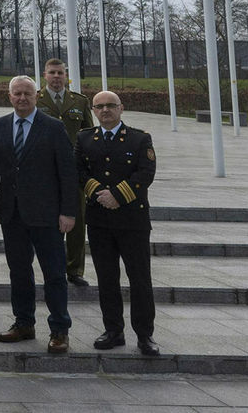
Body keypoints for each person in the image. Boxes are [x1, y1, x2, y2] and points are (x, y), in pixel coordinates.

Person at [0, 75, 77, 354]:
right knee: (19, 272)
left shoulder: (53, 127)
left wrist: (68, 212)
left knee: (54, 274)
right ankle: (24, 323)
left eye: (27, 93)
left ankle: (59, 329)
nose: (22, 98)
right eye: (17, 93)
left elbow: (67, 173)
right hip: (12, 214)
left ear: (36, 95)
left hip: (47, 214)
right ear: (9, 96)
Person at [78, 91, 159, 356]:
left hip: (132, 220)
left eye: (110, 105)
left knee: (140, 279)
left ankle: (145, 334)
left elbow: (145, 173)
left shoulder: (139, 138)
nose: (105, 110)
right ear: (93, 110)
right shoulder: (85, 138)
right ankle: (113, 330)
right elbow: (78, 171)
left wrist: (117, 196)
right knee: (107, 278)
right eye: (99, 106)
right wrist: (99, 193)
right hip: (100, 220)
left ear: (121, 108)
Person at [37, 57, 95, 287]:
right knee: (48, 222)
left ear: (66, 75)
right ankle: (52, 267)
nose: (56, 77)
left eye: (60, 73)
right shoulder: (35, 99)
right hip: (45, 170)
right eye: (52, 72)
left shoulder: (79, 101)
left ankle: (74, 269)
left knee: (77, 220)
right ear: (45, 75)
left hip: (73, 172)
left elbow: (88, 135)